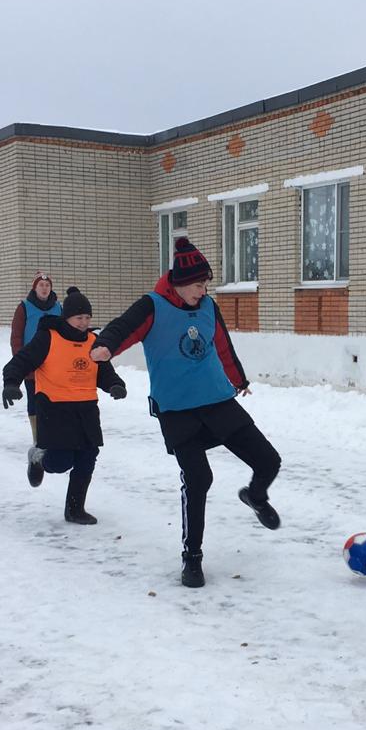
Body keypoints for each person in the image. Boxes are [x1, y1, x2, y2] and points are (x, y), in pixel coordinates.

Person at [89, 237, 281, 588]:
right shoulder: (153, 306)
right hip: (178, 410)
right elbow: (123, 327)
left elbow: (222, 344)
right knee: (199, 479)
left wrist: (238, 379)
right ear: (178, 282)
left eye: (206, 284)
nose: (203, 290)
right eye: (197, 284)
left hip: (217, 400)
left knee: (269, 460)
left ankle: (255, 495)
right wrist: (105, 346)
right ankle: (192, 558)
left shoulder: (208, 306)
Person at [2, 288, 126, 525]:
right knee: (60, 462)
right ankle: (38, 458)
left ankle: (75, 509)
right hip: (55, 409)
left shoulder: (93, 342)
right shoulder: (48, 337)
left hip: (86, 409)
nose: (84, 323)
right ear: (66, 317)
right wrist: (11, 383)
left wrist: (114, 385)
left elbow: (104, 371)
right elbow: (22, 360)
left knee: (87, 456)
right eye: (79, 318)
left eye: (87, 318)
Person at [10, 272, 62, 443]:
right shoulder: (24, 307)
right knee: (34, 399)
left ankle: (54, 434)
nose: (45, 288)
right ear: (35, 288)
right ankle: (38, 437)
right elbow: (17, 337)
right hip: (31, 362)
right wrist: (21, 361)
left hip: (53, 362)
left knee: (54, 399)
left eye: (48, 285)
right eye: (41, 285)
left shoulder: (58, 308)